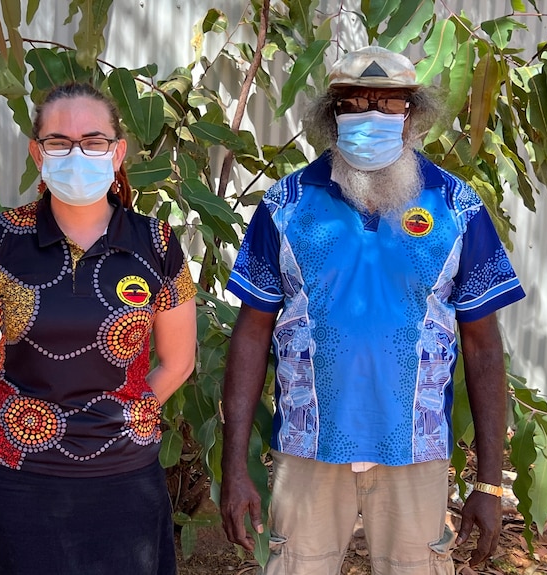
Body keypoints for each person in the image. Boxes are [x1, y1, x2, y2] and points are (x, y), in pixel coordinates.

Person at [219, 46, 526, 575]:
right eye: (354, 104)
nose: (372, 117)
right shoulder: (286, 204)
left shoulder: (457, 207)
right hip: (307, 449)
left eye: (389, 104)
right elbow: (251, 335)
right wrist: (234, 467)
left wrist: (489, 482)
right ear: (331, 117)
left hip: (416, 450)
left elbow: (483, 347)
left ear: (412, 117)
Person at [0, 82, 197, 575]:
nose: (76, 153)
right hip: (20, 482)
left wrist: (127, 417)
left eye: (94, 140)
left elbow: (179, 360)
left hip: (125, 480)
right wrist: (15, 419)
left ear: (118, 151)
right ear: (37, 152)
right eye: (59, 141)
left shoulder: (157, 242)